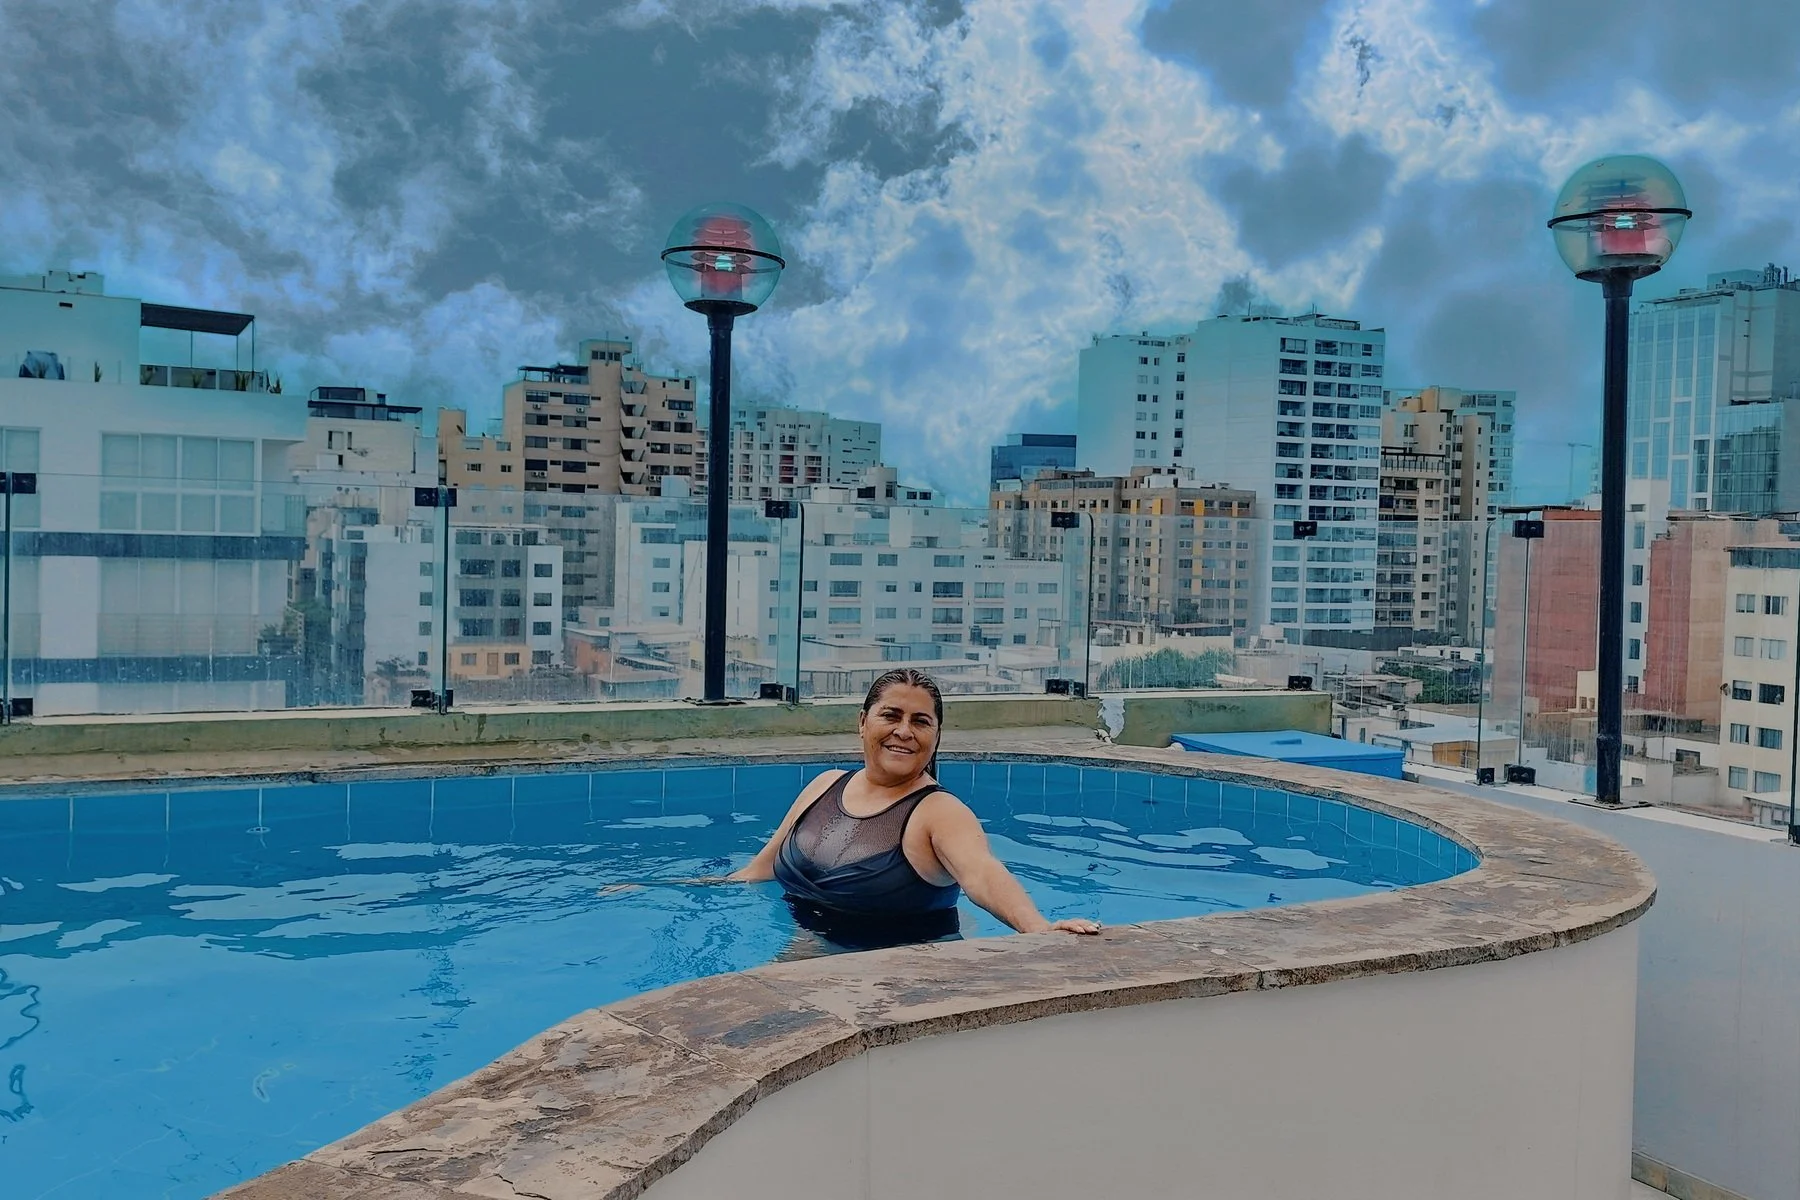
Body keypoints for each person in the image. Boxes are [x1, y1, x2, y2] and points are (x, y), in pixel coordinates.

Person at [727, 667, 1102, 950]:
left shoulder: (938, 812)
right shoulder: (826, 785)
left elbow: (982, 873)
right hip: (803, 942)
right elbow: (760, 869)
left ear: (936, 735)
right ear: (862, 722)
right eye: (891, 716)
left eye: (920, 721)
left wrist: (1037, 929)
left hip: (888, 970)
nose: (904, 731)